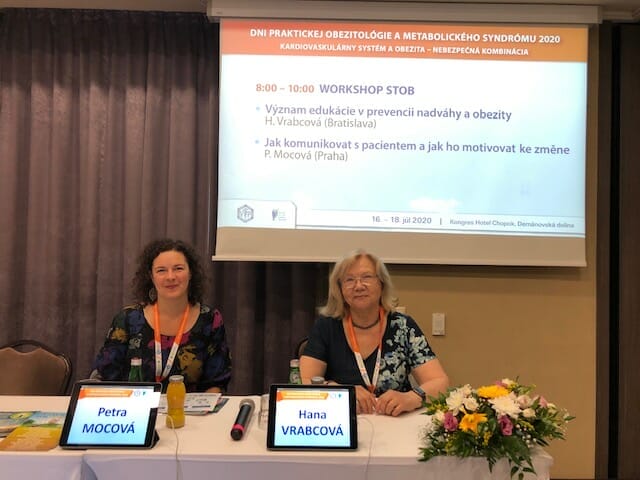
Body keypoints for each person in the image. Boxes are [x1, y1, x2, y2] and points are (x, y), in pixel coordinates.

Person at [300, 249, 449, 416]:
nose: (358, 286)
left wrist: (411, 398)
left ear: (381, 284)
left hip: (396, 422)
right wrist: (342, 392)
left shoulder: (403, 326)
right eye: (349, 280)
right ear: (340, 288)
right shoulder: (326, 326)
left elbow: (439, 382)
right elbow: (304, 382)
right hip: (341, 422)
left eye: (366, 277)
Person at [92, 238, 231, 393]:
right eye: (161, 270)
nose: (170, 277)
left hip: (189, 414)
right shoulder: (127, 319)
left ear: (191, 273)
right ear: (151, 277)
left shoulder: (210, 320)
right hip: (135, 412)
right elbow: (104, 377)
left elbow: (216, 383)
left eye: (178, 268)